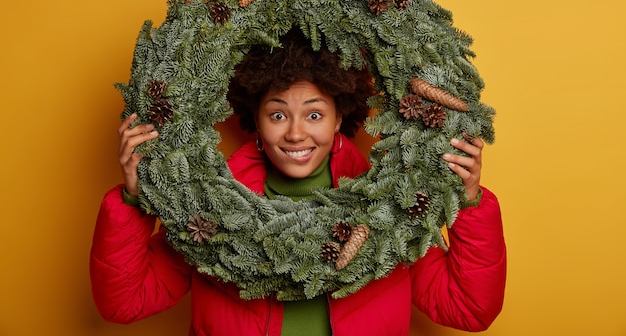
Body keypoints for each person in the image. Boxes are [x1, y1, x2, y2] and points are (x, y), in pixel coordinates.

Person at [90, 28, 506, 336]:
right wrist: (133, 199)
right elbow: (124, 302)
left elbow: (468, 309)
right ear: (255, 120)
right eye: (277, 115)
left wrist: (467, 205)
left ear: (340, 118)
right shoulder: (208, 216)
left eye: (313, 114)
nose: (294, 133)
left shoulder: (389, 214)